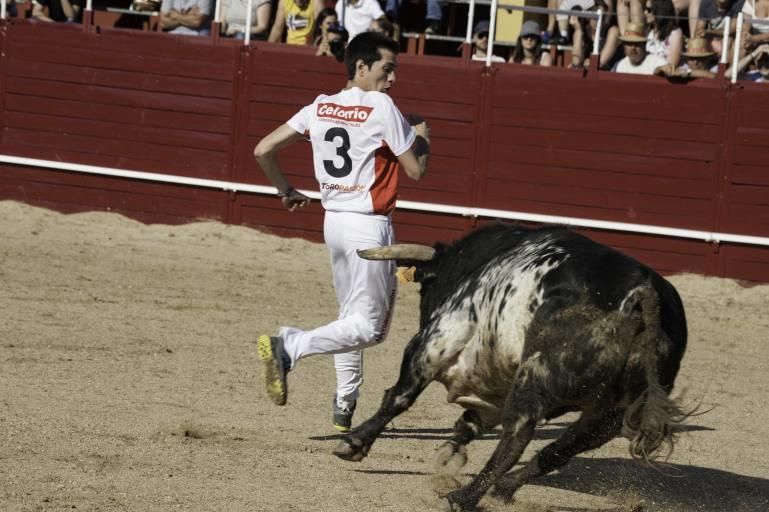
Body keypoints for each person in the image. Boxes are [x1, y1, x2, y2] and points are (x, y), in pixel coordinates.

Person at [253, 31, 431, 433]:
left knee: (350, 317)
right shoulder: (383, 106)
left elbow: (262, 149)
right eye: (388, 69)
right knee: (370, 328)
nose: (393, 79)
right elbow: (417, 171)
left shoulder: (320, 106)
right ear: (361, 67)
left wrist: (285, 190)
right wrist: (424, 138)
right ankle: (290, 346)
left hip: (334, 222)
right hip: (369, 228)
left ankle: (344, 402)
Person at [644, 0, 684, 67]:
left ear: (659, 11)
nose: (645, 12)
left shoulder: (675, 33)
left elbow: (672, 65)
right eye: (645, 9)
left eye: (649, 10)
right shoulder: (648, 32)